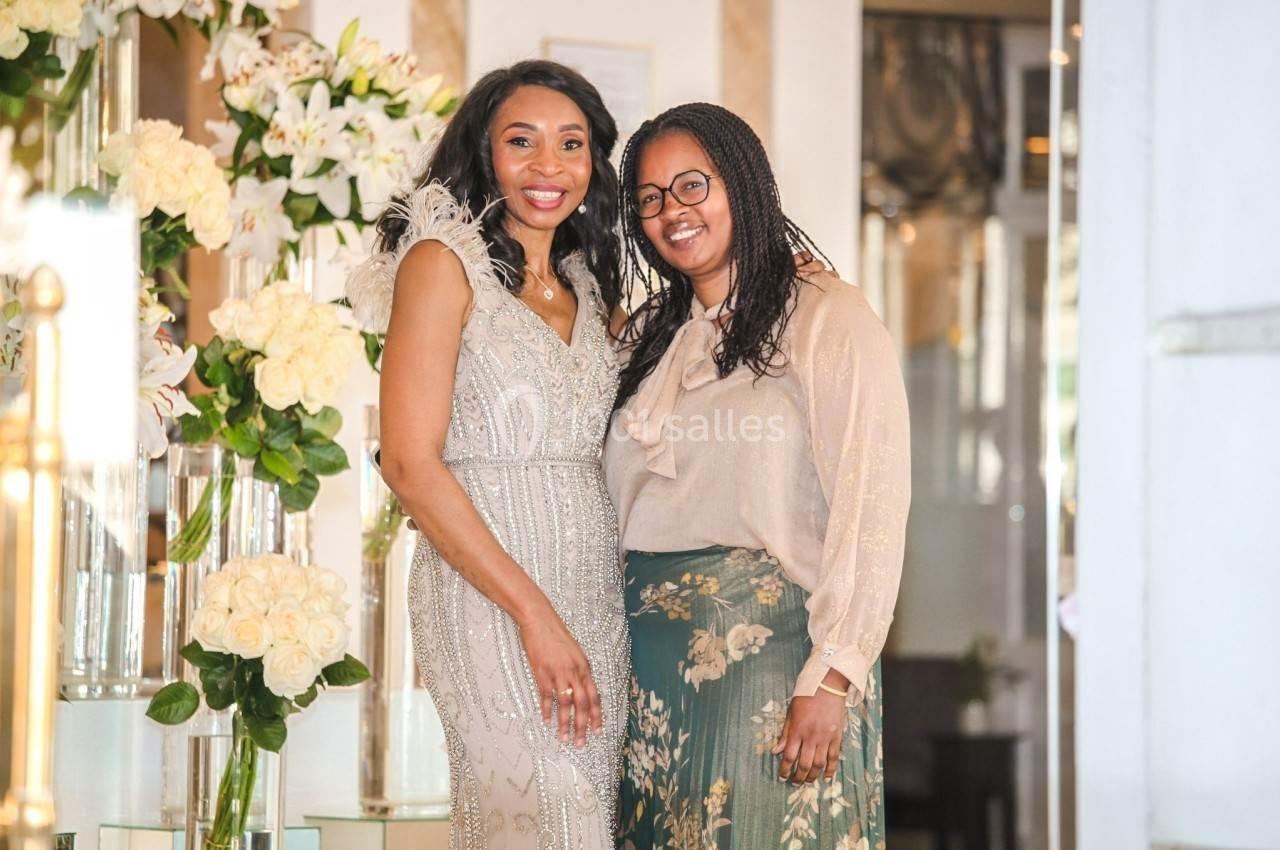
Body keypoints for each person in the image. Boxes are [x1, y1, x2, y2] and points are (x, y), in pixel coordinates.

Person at [603, 103, 911, 850]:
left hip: (770, 669)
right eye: (650, 199)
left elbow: (872, 500)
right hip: (643, 676)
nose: (672, 211)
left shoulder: (825, 314)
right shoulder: (648, 338)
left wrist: (832, 676)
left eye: (691, 185)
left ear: (742, 185)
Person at [346, 60, 629, 849]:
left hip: (593, 597)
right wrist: (533, 613)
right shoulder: (442, 263)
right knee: (542, 816)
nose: (550, 166)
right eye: (522, 142)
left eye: (572, 144)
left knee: (581, 820)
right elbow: (407, 462)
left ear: (594, 163)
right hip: (490, 598)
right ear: (484, 153)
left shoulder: (587, 282)